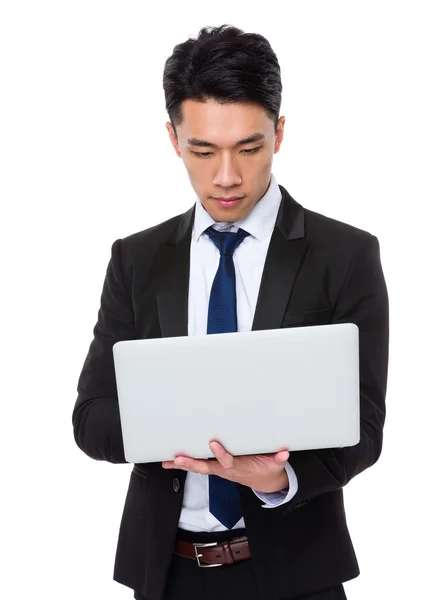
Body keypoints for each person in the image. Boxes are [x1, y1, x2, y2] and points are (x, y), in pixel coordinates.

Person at [72, 24, 389, 600]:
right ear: (173, 138)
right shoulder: (137, 260)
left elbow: (364, 428)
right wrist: (172, 432)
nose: (227, 176)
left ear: (280, 133)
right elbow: (91, 418)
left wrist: (281, 479)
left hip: (296, 576)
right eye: (202, 150)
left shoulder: (344, 255)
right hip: (166, 575)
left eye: (249, 148)